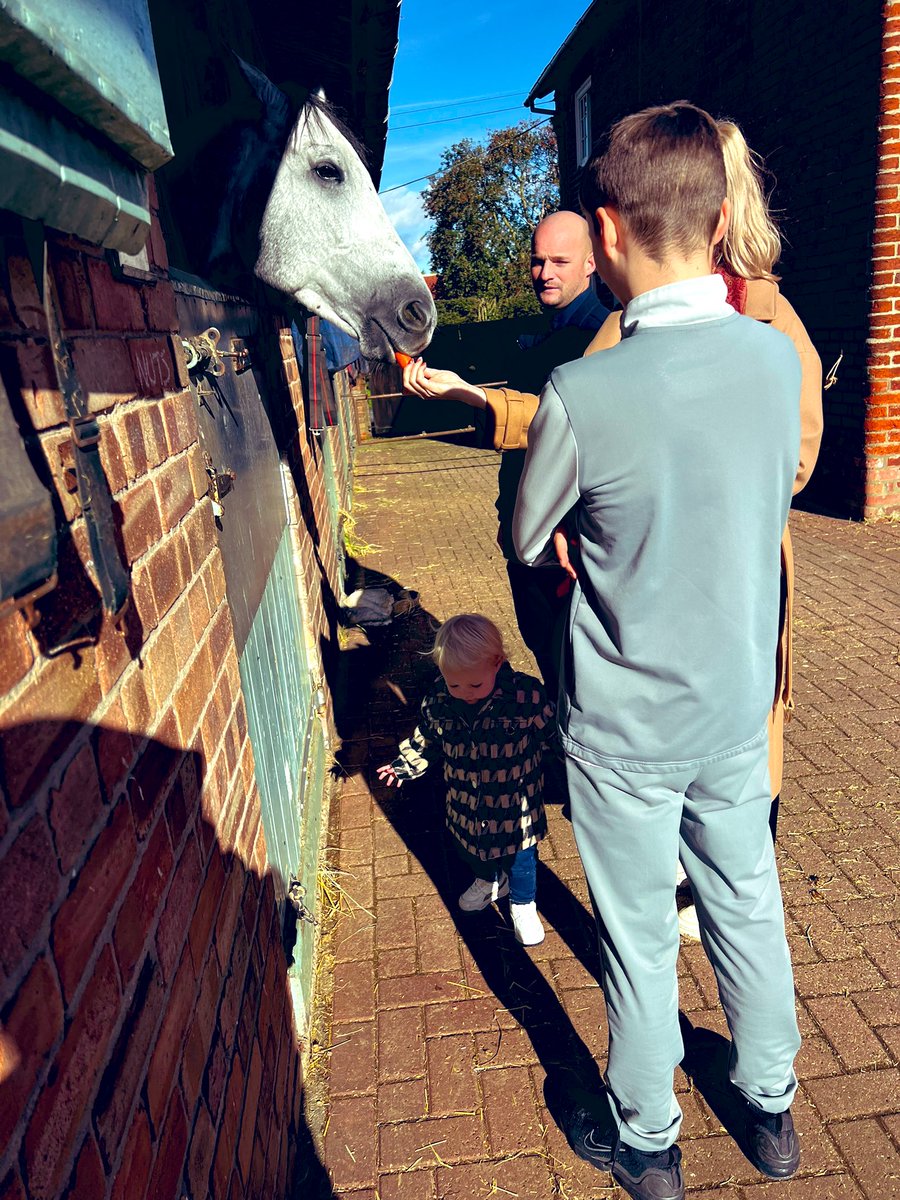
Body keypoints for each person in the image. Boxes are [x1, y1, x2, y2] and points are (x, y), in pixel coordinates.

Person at [513, 104, 803, 1200]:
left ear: (610, 228)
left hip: (624, 724)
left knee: (639, 938)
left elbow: (530, 536)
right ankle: (770, 1110)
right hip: (734, 702)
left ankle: (649, 1141)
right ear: (721, 217)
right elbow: (768, 494)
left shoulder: (583, 393)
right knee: (747, 901)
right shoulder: (776, 367)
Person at [578, 118, 823, 941]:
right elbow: (577, 412)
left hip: (739, 574)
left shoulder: (767, 315)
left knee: (749, 749)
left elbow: (800, 456)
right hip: (664, 594)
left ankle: (725, 888)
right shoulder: (630, 313)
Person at [402, 212, 610, 696]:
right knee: (545, 650)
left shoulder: (596, 342)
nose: (546, 272)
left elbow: (565, 433)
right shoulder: (543, 334)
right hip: (522, 529)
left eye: (560, 260)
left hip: (566, 541)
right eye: (538, 261)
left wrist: (468, 394)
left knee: (573, 672)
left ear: (592, 262)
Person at [376, 613, 554, 946]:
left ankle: (522, 903)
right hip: (465, 800)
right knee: (471, 849)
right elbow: (426, 739)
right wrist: (404, 765)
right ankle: (488, 880)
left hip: (515, 803)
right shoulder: (440, 702)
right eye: (454, 683)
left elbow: (551, 735)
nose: (465, 693)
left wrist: (571, 764)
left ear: (497, 664)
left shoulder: (524, 698)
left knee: (522, 857)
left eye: (475, 684)